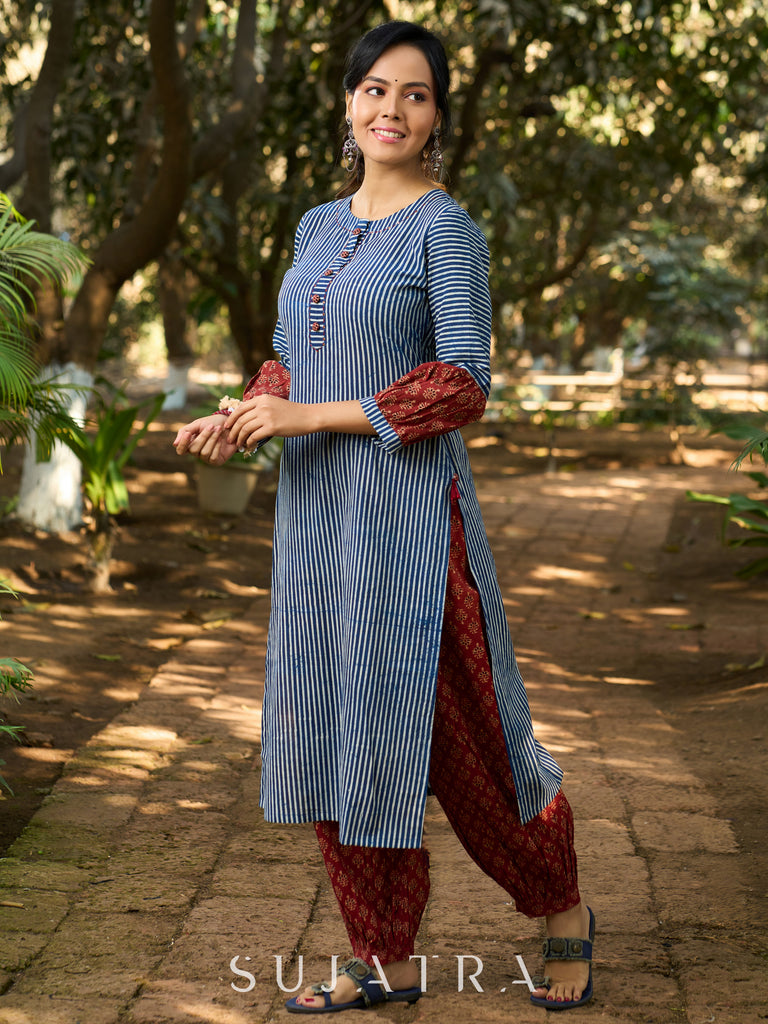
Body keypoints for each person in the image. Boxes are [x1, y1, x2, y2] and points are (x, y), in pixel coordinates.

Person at [174, 20, 595, 1014]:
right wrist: (244, 413)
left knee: (470, 741)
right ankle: (383, 954)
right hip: (317, 521)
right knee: (335, 726)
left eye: (413, 94)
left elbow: (462, 381)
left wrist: (305, 414)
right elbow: (288, 357)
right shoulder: (319, 226)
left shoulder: (445, 228)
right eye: (373, 89)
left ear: (437, 115)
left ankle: (563, 909)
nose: (389, 110)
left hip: (410, 526)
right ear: (348, 104)